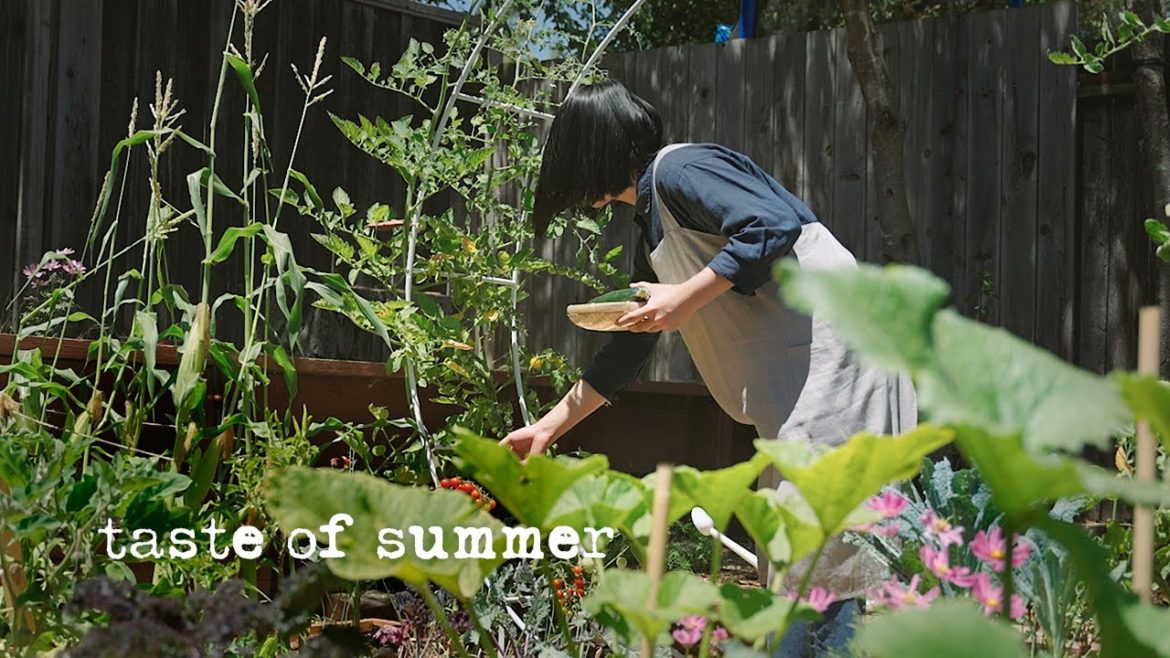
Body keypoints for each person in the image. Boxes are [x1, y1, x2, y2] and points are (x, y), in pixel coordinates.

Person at [500, 80, 917, 657]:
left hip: (842, 366)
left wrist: (684, 298)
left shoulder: (681, 170)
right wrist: (548, 427)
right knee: (801, 560)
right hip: (806, 386)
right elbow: (631, 346)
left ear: (593, 150)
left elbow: (771, 223)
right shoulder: (656, 217)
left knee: (819, 561)